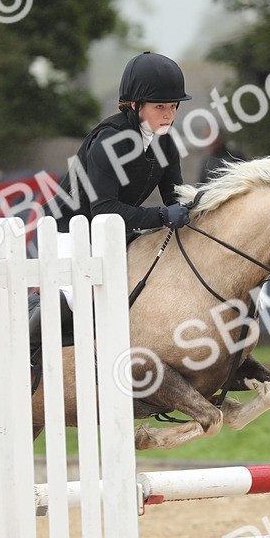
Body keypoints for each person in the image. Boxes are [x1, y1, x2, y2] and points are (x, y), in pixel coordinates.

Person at [30, 51, 192, 365]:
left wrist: (192, 207)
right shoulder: (108, 141)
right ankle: (23, 348)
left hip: (110, 231)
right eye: (160, 106)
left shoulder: (165, 142)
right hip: (67, 229)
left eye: (173, 106)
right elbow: (103, 210)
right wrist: (161, 216)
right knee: (76, 299)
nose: (169, 115)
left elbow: (175, 195)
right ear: (134, 105)